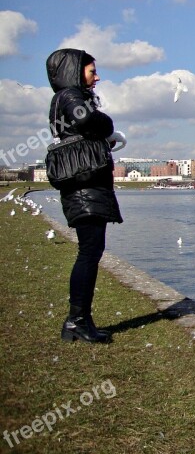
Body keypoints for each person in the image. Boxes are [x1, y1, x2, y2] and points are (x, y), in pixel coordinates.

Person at [46, 48, 123, 343]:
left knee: (90, 251)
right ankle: (77, 320)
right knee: (89, 252)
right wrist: (107, 125)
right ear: (74, 72)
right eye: (92, 71)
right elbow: (93, 122)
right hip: (85, 189)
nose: (97, 76)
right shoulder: (70, 96)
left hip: (86, 187)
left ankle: (79, 320)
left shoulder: (69, 98)